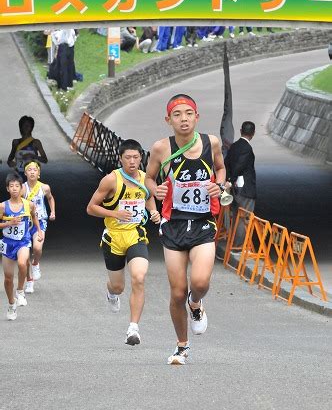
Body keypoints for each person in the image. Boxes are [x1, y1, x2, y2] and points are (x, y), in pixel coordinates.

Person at [145, 94, 227, 365]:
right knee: (177, 291)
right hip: (174, 224)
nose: (183, 119)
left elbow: (221, 168)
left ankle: (196, 304)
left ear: (197, 116)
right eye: (177, 114)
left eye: (188, 113)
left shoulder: (210, 142)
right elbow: (148, 177)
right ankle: (182, 346)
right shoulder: (161, 148)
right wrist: (154, 189)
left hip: (204, 221)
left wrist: (220, 185)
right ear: (168, 120)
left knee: (200, 283)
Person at [87, 139, 160, 346]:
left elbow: (147, 196)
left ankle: (133, 328)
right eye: (128, 157)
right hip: (113, 237)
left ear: (141, 158)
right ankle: (111, 292)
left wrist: (153, 211)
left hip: (135, 234)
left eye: (136, 157)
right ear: (120, 159)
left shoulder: (146, 179)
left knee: (139, 277)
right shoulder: (111, 180)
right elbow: (91, 208)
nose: (132, 161)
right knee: (119, 286)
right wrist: (114, 212)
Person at [0, 173, 43, 321]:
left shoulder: (28, 204)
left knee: (22, 262)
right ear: (7, 189)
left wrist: (39, 231)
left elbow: (34, 216)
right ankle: (12, 304)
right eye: (11, 186)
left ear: (21, 188)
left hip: (23, 241)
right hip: (7, 243)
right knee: (7, 278)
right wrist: (8, 223)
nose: (14, 189)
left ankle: (20, 291)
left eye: (17, 186)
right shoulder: (3, 206)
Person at [21, 160, 56, 293]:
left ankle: (36, 264)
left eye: (35, 170)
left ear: (39, 173)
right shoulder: (22, 188)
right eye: (29, 170)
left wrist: (52, 211)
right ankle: (29, 282)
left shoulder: (44, 187)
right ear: (25, 173)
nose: (32, 172)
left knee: (37, 247)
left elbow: (51, 198)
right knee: (23, 259)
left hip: (40, 222)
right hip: (25, 223)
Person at [224, 121, 256, 246]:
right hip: (245, 189)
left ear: (241, 130)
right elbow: (239, 166)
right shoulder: (247, 148)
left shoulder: (234, 146)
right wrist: (231, 180)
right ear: (253, 133)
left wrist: (228, 180)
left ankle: (232, 243)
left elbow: (226, 163)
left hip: (235, 189)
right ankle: (238, 246)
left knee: (236, 216)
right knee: (244, 218)